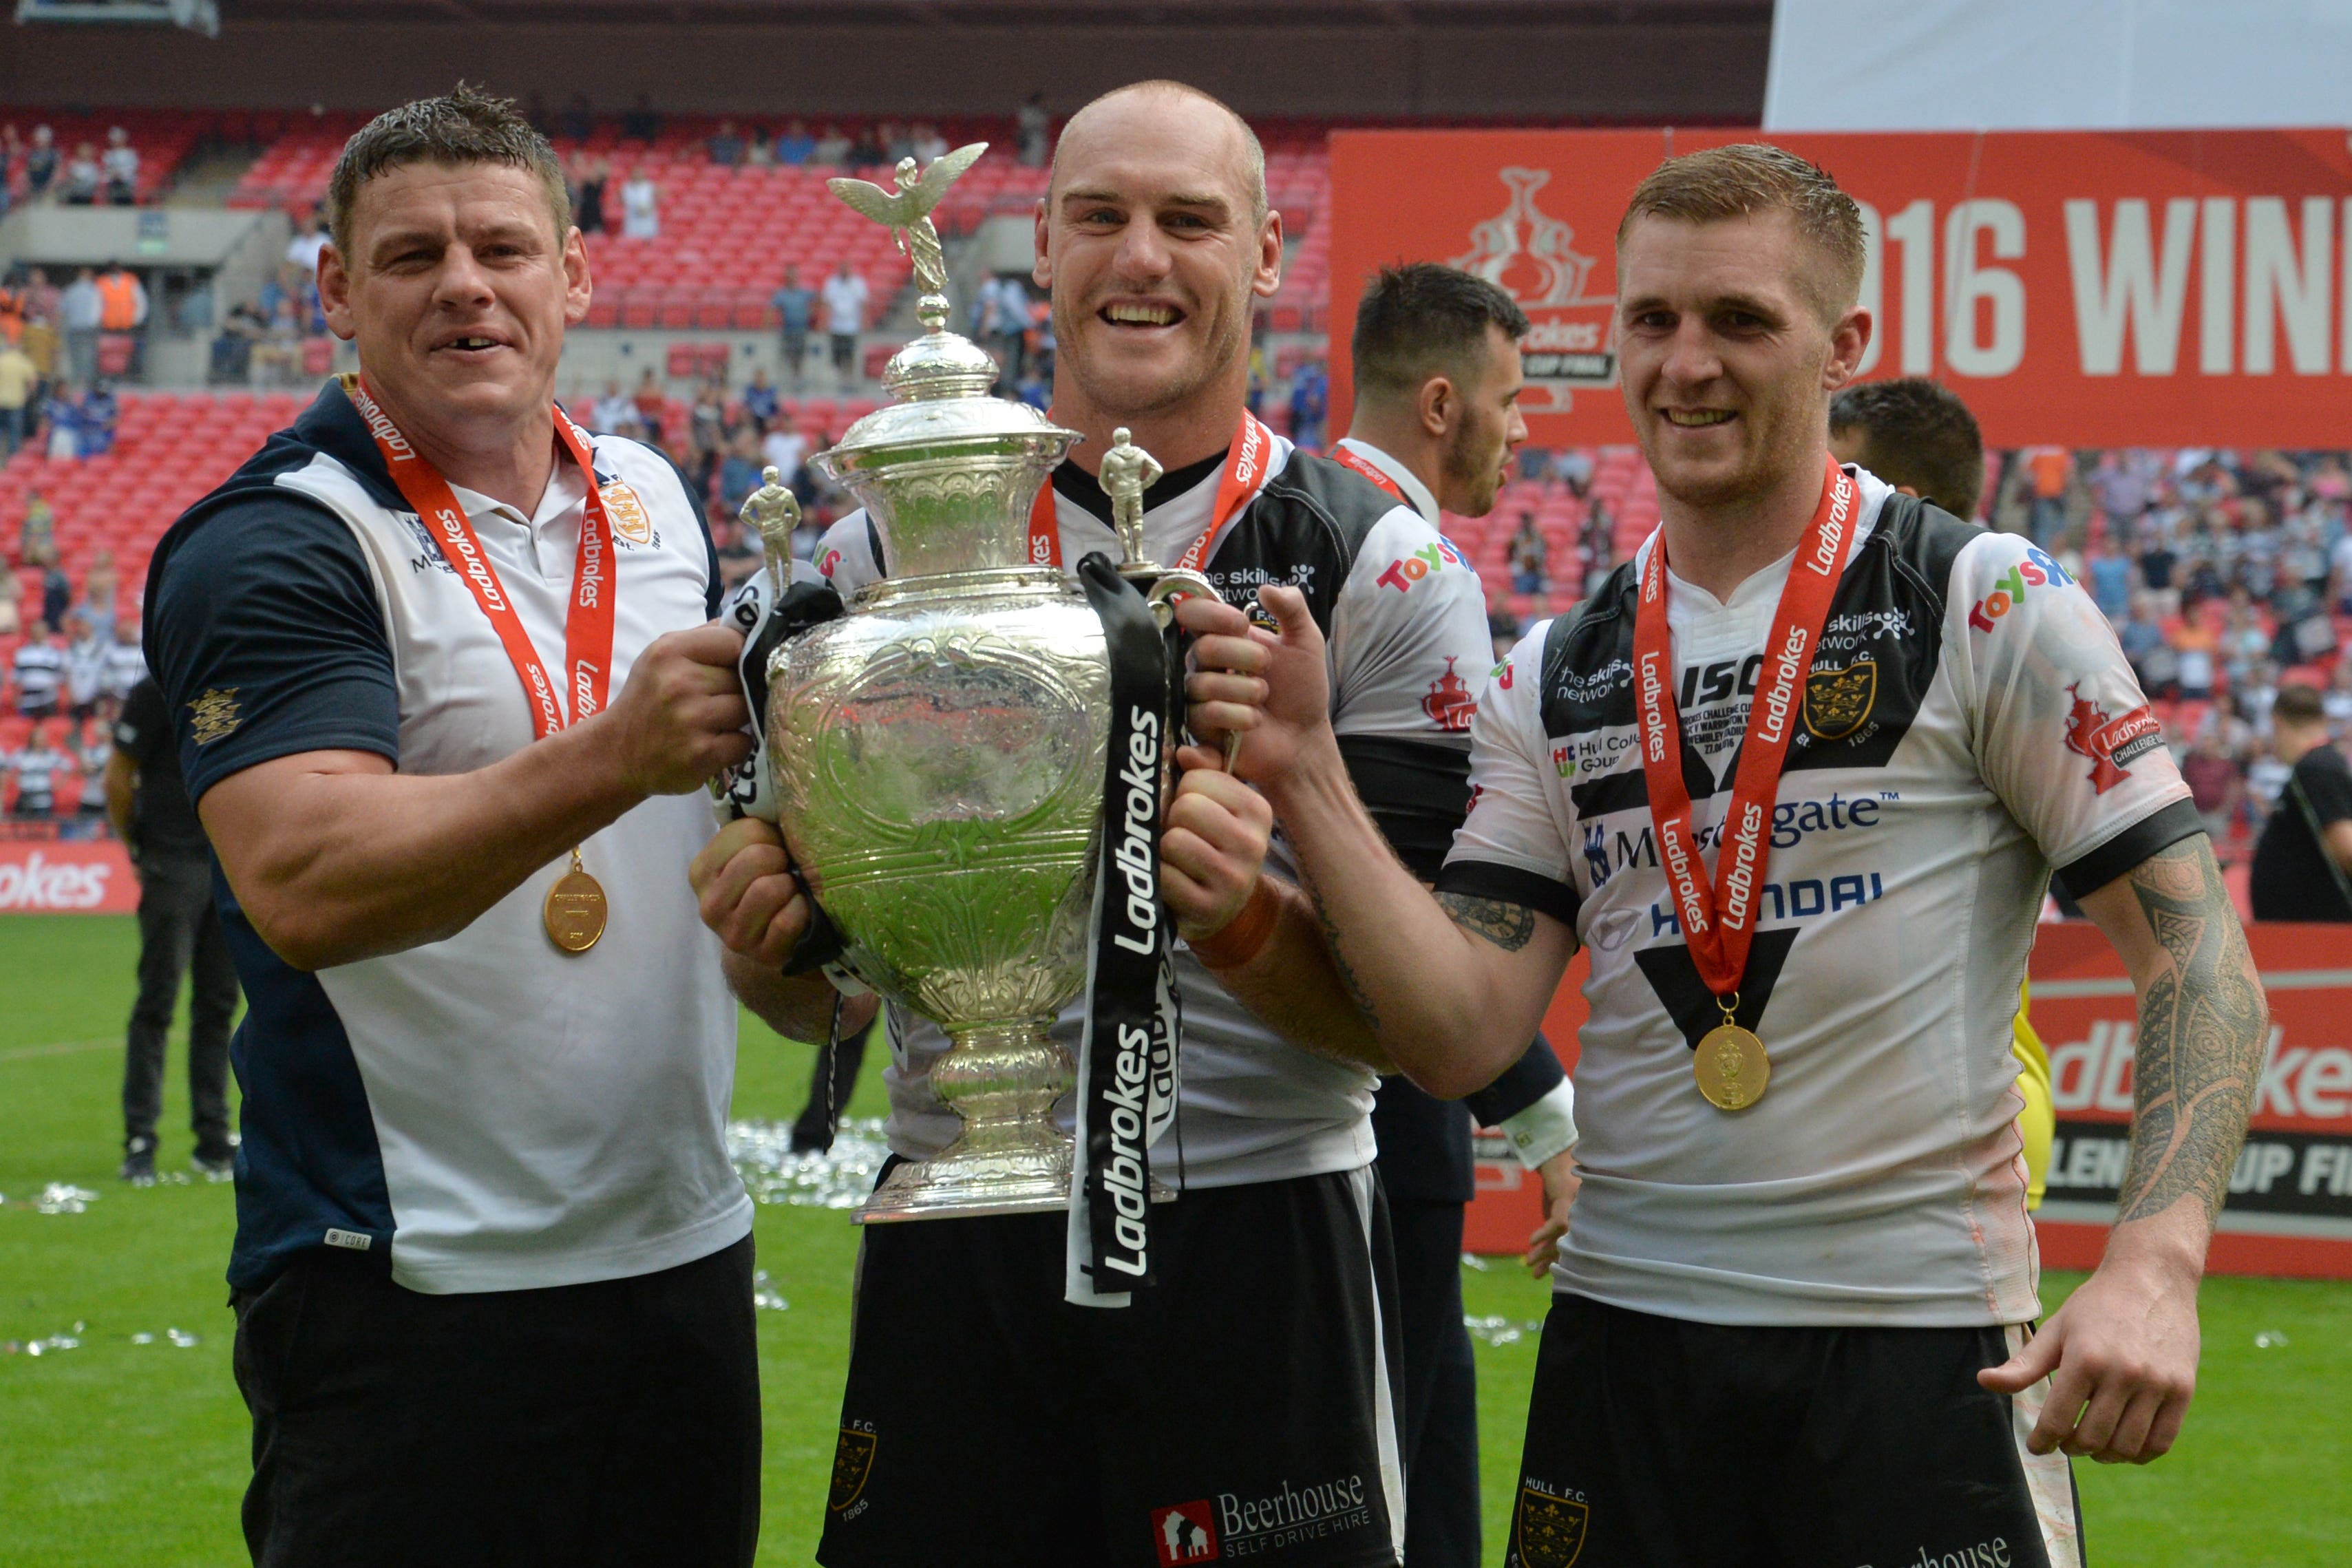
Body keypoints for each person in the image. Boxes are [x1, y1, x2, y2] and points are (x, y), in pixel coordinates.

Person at [1189, 143, 2268, 1567]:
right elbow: (1456, 1035)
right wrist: (1308, 785)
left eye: (1740, 321)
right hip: (1626, 1353)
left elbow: (2198, 958)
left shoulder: (1982, 598)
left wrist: (2153, 1262)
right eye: (1651, 320)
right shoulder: (1556, 668)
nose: (1685, 363)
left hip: (1914, 1348)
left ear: (1843, 346)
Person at [699, 79, 1492, 1568]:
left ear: (1265, 256)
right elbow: (829, 995)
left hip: (1261, 1235)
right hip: (960, 1214)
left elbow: (1426, 1019)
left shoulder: (1379, 568)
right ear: (1041, 251)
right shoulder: (875, 558)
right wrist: (770, 950)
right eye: (1100, 218)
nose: (1141, 257)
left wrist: (1248, 923)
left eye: (1188, 221)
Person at [142, 86, 765, 1566]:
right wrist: (611, 755)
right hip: (407, 1284)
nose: (466, 284)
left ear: (575, 275)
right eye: (414, 255)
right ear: (339, 292)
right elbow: (305, 877)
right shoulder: (280, 533)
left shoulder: (654, 498)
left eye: (503, 246)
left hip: (680, 1254)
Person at [1334, 259, 1578, 1568]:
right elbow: (1420, 885)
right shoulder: (1409, 561)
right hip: (1368, 1112)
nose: (1520, 426)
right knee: (1381, 1479)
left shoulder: (1280, 518)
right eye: (1511, 397)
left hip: (1338, 1110)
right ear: (1440, 403)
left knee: (1421, 1463)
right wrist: (1542, 1111)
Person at [1826, 375, 2056, 1211]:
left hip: (1955, 1118)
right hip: (1889, 1115)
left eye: (1835, 479)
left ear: (1900, 504)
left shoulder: (1990, 644)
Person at [109, 674, 242, 1184]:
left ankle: (213, 1139)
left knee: (218, 1004)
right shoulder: (154, 691)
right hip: (175, 860)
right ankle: (140, 1140)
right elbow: (119, 777)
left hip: (223, 861)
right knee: (159, 1001)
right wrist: (140, 844)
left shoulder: (231, 684)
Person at [2249, 682, 2352, 920]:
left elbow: (2347, 848)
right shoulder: (2319, 765)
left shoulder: (2318, 768)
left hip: (2317, 938)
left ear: (2277, 723)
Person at [6, 716, 70, 819]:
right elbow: (7, 767)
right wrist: (17, 781)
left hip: (44, 801)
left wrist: (58, 784)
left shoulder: (51, 755)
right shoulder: (22, 754)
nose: (40, 740)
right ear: (32, 738)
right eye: (37, 737)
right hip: (25, 798)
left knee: (43, 829)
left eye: (42, 737)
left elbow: (67, 768)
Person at [820, 259, 868, 392]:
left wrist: (865, 323)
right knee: (838, 357)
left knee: (850, 356)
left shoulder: (858, 284)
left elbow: (863, 304)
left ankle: (849, 381)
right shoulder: (832, 284)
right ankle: (840, 381)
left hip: (852, 327)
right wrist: (823, 323)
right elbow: (826, 304)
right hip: (836, 327)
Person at [771, 263, 815, 389]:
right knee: (788, 356)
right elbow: (772, 309)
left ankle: (799, 381)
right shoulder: (782, 294)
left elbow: (819, 300)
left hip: (801, 330)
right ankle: (790, 381)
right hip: (788, 331)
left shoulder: (804, 293)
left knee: (800, 357)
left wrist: (815, 318)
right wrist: (769, 325)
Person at [12, 619, 63, 718]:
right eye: (35, 632)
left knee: (49, 728)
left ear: (46, 633)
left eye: (40, 632)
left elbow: (60, 680)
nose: (38, 635)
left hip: (48, 699)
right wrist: (16, 698)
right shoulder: (22, 654)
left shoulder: (55, 654)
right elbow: (16, 679)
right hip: (28, 700)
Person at [60, 267, 100, 391]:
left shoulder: (70, 290)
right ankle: (86, 384)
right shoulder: (95, 291)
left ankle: (76, 383)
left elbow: (63, 311)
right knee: (88, 356)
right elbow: (98, 310)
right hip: (88, 329)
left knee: (75, 356)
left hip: (73, 328)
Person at [0, 333, 33, 457]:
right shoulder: (23, 361)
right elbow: (33, 382)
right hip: (16, 402)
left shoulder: (1, 360)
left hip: (1, 401)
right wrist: (28, 396)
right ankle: (12, 462)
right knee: (14, 434)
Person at [103, 127, 140, 205]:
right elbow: (107, 169)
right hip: (113, 184)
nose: (116, 142)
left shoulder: (131, 154)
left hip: (127, 184)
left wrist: (122, 175)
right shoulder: (108, 154)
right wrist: (114, 175)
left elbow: (133, 168)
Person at [620, 165, 659, 238]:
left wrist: (648, 208)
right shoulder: (626, 187)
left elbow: (658, 199)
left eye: (639, 174)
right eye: (635, 173)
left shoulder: (649, 186)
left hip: (648, 221)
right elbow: (621, 201)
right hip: (632, 221)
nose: (637, 176)